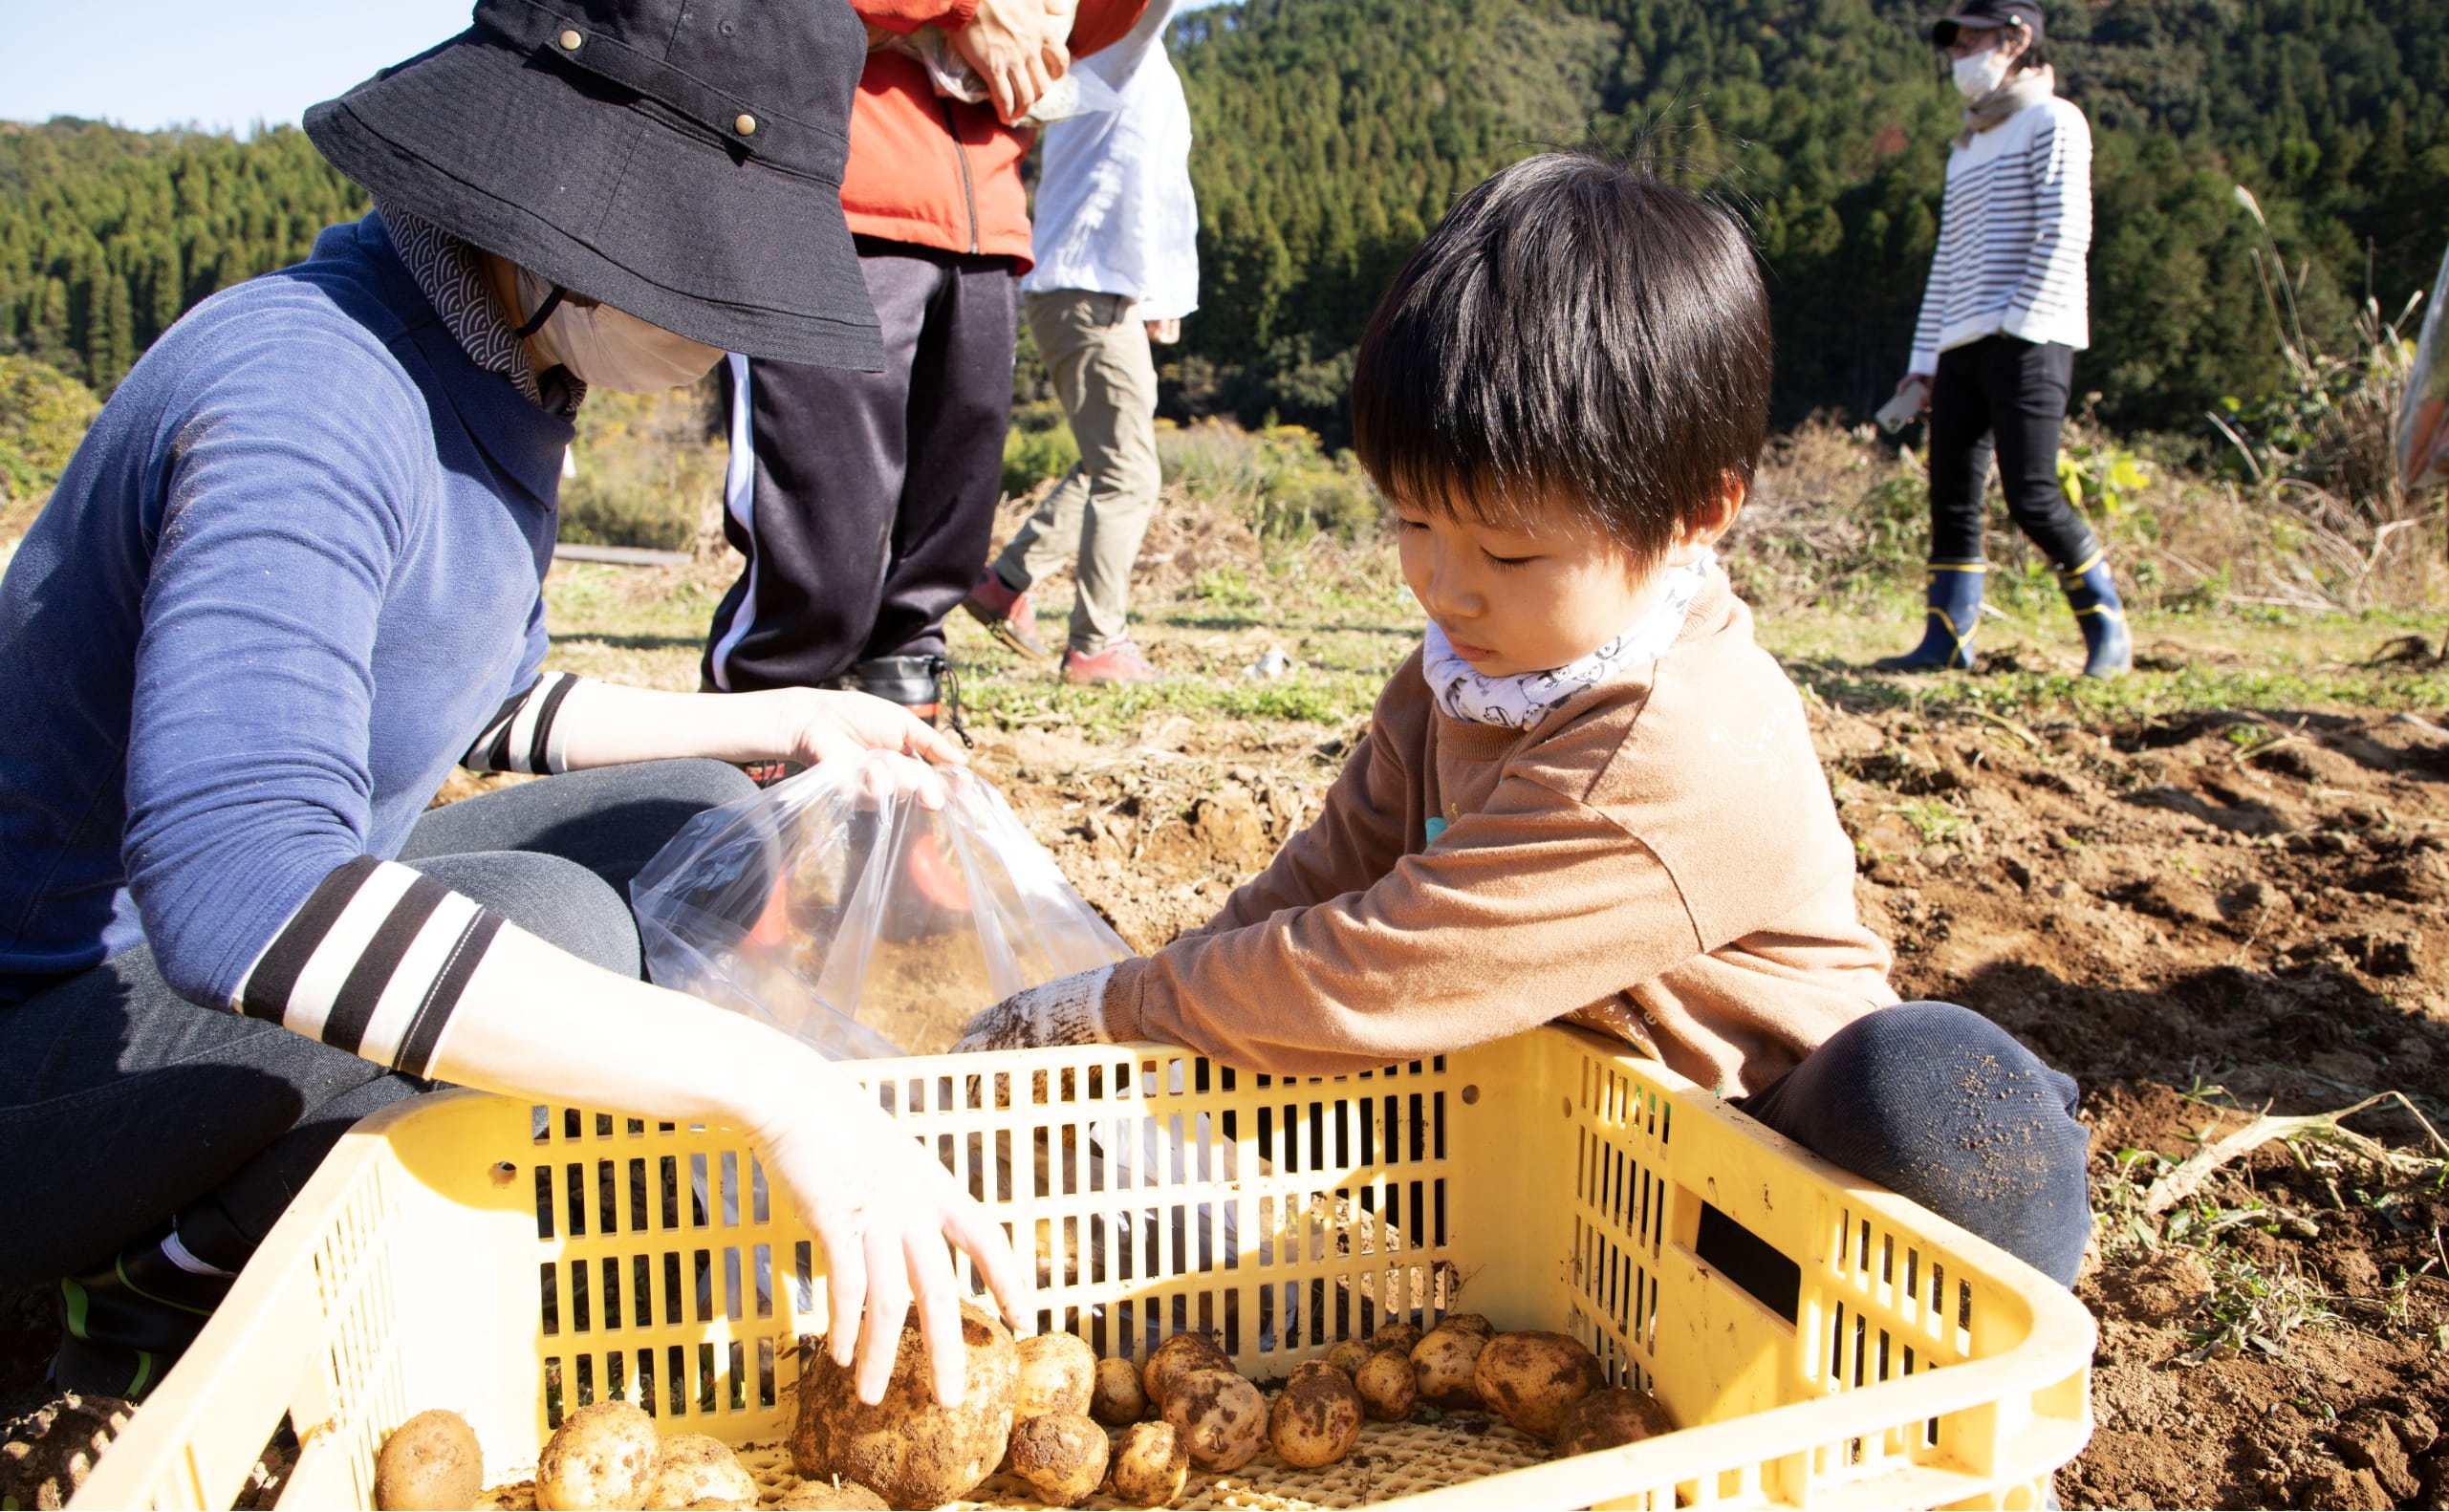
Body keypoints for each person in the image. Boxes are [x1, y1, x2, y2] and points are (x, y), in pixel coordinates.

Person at [0, 0, 1022, 1406]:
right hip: (51, 1044)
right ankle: (152, 1282)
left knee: (691, 823)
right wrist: (771, 1086)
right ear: (559, 217)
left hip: (179, 983)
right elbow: (241, 883)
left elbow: (471, 699)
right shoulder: (311, 391)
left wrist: (778, 718)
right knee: (559, 929)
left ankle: (518, 1200)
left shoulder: (501, 368)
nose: (724, 330)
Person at [955, 153, 2093, 1287]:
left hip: (1754, 1167)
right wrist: (1142, 1020)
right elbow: (1322, 878)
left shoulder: (1671, 743)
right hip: (1559, 1129)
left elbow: (1383, 969)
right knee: (1285, 1061)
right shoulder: (1463, 670)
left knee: (1920, 1085)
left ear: (1697, 514)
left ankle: (1984, 1348)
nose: (1446, 589)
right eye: (1413, 524)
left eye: (1506, 551)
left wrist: (1120, 1005)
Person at [701, 0, 1148, 721]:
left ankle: (903, 730)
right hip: (829, 185)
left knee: (943, 535)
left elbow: (1082, 27)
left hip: (985, 218)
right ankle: (758, 757)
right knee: (821, 535)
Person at [1878, 0, 2130, 680]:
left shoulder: (2055, 121)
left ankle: (2105, 625)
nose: (1963, 55)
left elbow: (2064, 233)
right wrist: (1922, 363)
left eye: (1975, 40)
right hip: (1960, 342)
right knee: (1952, 494)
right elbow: (1947, 260)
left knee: (2033, 493)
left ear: (2018, 39)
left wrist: (2017, 322)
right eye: (1956, 44)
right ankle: (1946, 637)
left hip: (2031, 335)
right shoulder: (1968, 145)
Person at [959, 0, 1199, 686]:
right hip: (1086, 288)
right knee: (1130, 471)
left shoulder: (1114, 68)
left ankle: (1006, 583)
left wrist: (1159, 294)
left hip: (1095, 287)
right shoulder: (1110, 54)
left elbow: (1153, 184)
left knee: (1112, 457)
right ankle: (1097, 644)